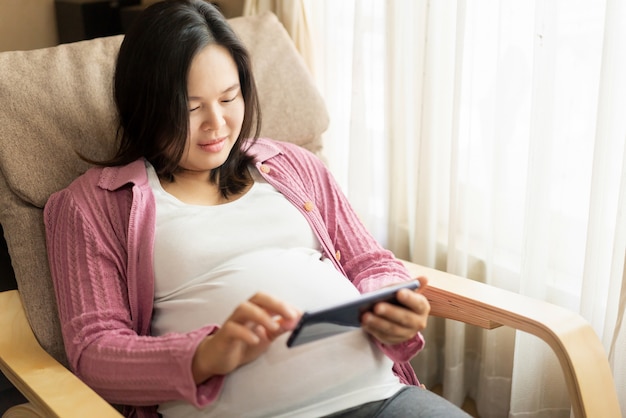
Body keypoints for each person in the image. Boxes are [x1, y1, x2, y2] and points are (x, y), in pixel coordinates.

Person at [44, 1, 471, 417]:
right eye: (190, 108)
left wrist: (392, 303)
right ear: (145, 106)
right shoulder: (93, 205)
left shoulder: (293, 166)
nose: (217, 124)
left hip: (380, 398)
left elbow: (368, 261)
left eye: (229, 98)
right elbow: (95, 351)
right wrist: (204, 354)